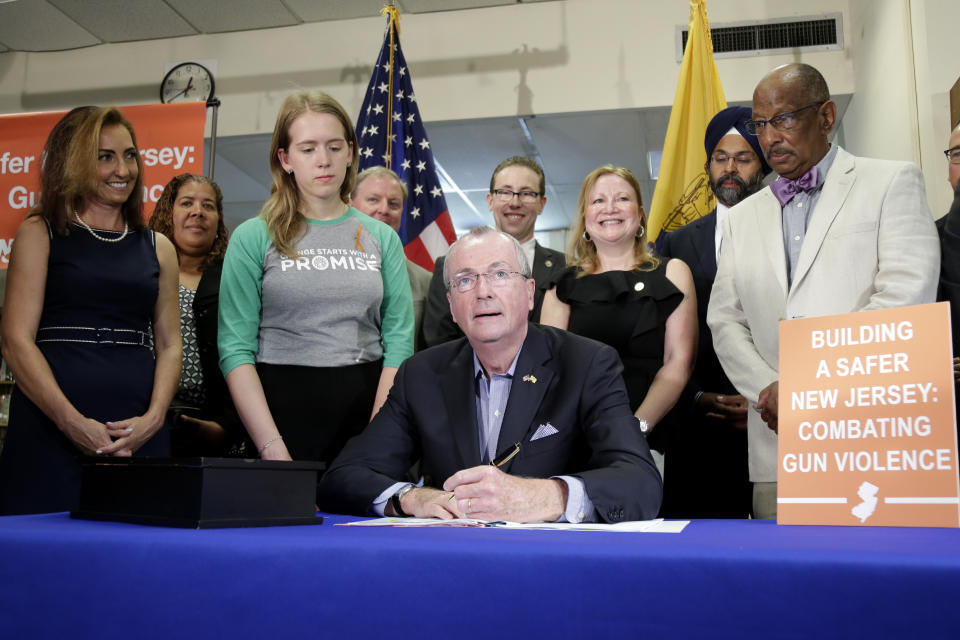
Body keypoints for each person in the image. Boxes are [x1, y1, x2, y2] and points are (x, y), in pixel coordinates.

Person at [707, 63, 940, 518]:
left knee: (878, 582)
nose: (769, 137)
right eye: (761, 124)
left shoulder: (890, 182)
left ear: (827, 116)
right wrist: (769, 391)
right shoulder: (741, 216)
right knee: (784, 584)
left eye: (784, 119)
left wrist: (814, 390)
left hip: (873, 439)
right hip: (777, 441)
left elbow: (904, 297)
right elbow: (725, 320)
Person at [317, 226, 661, 522]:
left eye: (499, 274)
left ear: (529, 294)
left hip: (554, 567)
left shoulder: (587, 363)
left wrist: (540, 497)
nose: (483, 292)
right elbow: (342, 478)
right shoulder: (421, 374)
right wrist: (411, 498)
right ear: (452, 306)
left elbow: (639, 483)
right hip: (453, 565)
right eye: (465, 280)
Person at [218, 91, 414, 471]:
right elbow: (235, 348)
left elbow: (399, 344)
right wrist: (271, 447)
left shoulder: (383, 237)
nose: (323, 160)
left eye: (334, 146)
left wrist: (374, 439)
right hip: (277, 416)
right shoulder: (253, 237)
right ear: (285, 159)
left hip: (367, 412)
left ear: (351, 152)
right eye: (307, 149)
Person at [0, 106, 181, 515]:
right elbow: (15, 340)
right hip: (51, 428)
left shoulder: (159, 248)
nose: (123, 169)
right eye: (105, 156)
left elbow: (170, 345)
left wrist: (153, 420)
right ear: (73, 161)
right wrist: (72, 423)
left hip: (137, 433)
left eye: (130, 155)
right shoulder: (39, 232)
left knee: (138, 558)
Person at [540, 166, 697, 470]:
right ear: (585, 217)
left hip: (654, 435)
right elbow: (551, 372)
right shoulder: (562, 285)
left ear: (639, 214)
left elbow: (678, 363)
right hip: (579, 438)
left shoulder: (673, 272)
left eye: (621, 198)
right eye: (598, 201)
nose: (609, 208)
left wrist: (635, 429)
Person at [658, 106, 771, 518]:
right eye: (721, 158)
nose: (730, 169)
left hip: (771, 419)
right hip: (698, 428)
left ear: (762, 165)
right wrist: (698, 398)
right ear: (707, 165)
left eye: (743, 159)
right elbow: (662, 338)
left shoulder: (784, 231)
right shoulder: (676, 243)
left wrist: (762, 397)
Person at [148, 173, 248, 456]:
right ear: (168, 213)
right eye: (187, 203)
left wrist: (226, 426)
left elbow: (249, 355)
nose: (197, 212)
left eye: (208, 206)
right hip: (147, 420)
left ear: (218, 221)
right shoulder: (144, 273)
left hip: (215, 427)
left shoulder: (236, 278)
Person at [423, 156, 565, 347]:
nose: (515, 202)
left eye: (526, 193)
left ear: (542, 203)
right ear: (490, 200)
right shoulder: (449, 265)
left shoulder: (565, 267)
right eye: (505, 192)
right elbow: (438, 341)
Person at [350, 166, 431, 351]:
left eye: (393, 204)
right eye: (373, 200)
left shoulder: (425, 281)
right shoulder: (327, 268)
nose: (384, 209)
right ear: (350, 204)